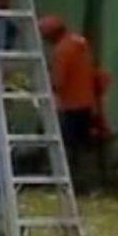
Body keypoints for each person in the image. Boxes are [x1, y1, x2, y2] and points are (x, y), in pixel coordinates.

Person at [40, 14, 102, 187]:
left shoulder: (62, 50)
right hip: (87, 102)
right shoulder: (80, 43)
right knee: (83, 144)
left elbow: (58, 81)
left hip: (70, 105)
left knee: (66, 144)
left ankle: (67, 180)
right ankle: (88, 180)